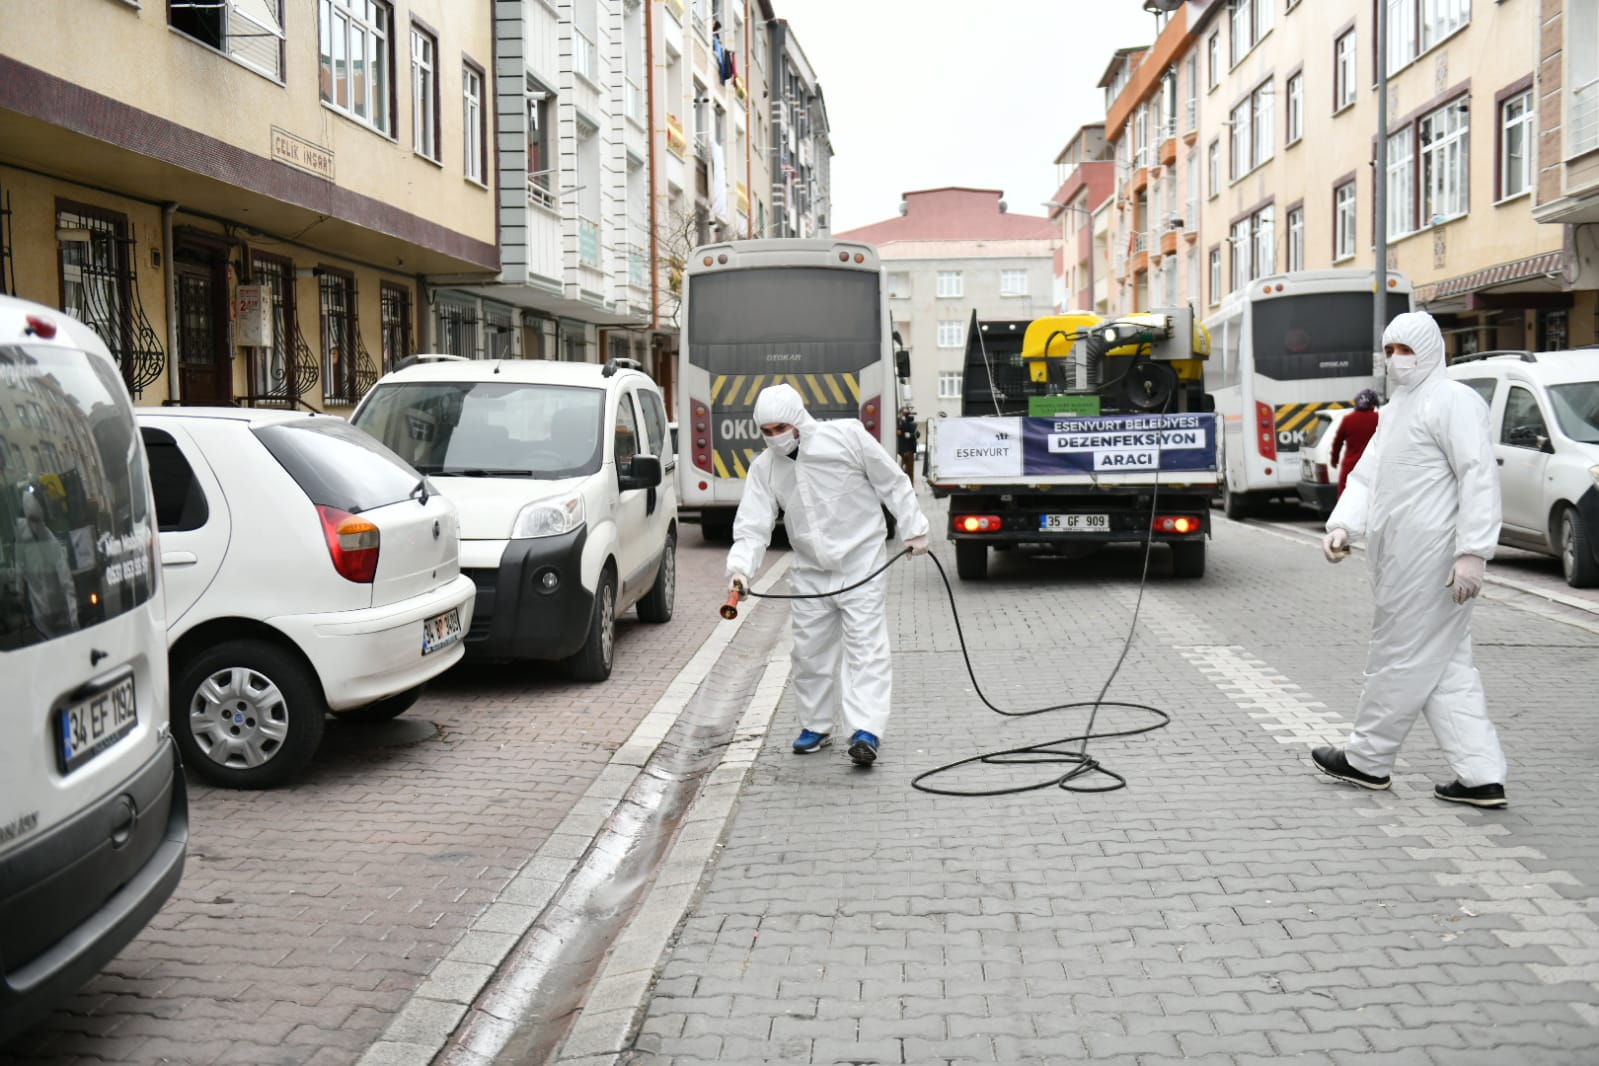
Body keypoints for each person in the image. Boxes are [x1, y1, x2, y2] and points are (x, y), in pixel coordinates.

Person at [1315, 311, 1508, 808]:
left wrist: (1472, 553)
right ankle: (1481, 775)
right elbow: (1366, 477)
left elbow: (1477, 474)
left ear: (1431, 351)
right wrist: (1343, 524)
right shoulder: (1398, 407)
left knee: (1396, 655)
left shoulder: (1453, 400)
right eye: (1389, 350)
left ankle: (1367, 759)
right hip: (1402, 557)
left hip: (1433, 560)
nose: (1397, 361)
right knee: (1445, 665)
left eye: (1407, 350)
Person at [726, 383, 930, 767]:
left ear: (798, 419)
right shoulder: (766, 468)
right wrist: (740, 569)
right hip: (810, 572)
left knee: (865, 649)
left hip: (862, 563)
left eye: (780, 428)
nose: (775, 438)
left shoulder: (846, 438)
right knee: (809, 653)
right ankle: (816, 725)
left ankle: (865, 731)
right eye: (766, 431)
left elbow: (892, 481)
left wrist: (914, 527)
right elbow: (753, 526)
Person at [1330, 389, 1380, 498]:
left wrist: (1334, 460)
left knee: (1346, 499)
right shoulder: (1379, 419)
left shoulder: (1348, 420)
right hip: (1372, 466)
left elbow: (1337, 443)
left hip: (1351, 467)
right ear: (1373, 403)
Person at [896, 406, 918, 480]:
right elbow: (899, 432)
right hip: (901, 450)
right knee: (900, 470)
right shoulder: (899, 422)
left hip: (909, 449)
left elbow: (916, 433)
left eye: (907, 413)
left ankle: (910, 487)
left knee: (910, 471)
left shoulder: (911, 424)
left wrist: (911, 435)